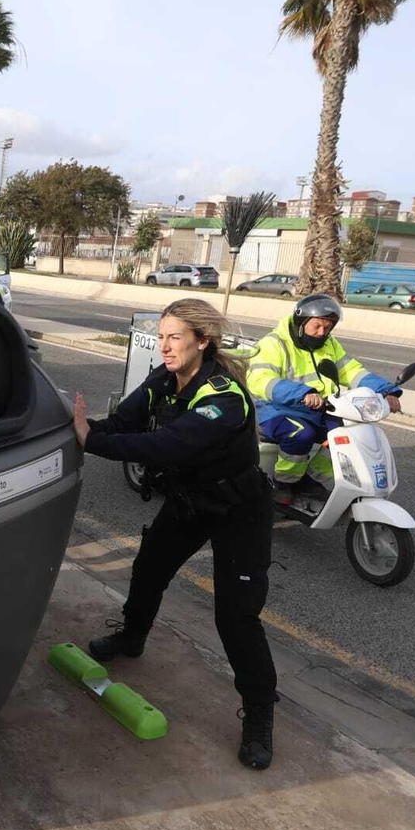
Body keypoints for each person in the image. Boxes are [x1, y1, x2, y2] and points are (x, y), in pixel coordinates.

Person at [72, 298, 279, 770]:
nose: (164, 347)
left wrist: (92, 440)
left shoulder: (224, 397)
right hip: (191, 501)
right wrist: (78, 428)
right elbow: (123, 423)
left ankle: (259, 714)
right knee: (148, 569)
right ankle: (132, 637)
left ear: (202, 341)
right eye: (161, 337)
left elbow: (167, 445)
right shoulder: (164, 379)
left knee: (236, 616)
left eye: (175, 338)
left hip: (239, 510)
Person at [246, 293, 402, 505]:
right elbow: (260, 379)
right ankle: (284, 482)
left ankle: (311, 477)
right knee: (301, 434)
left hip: (317, 408)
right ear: (301, 323)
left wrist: (385, 391)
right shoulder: (274, 344)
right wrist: (302, 393)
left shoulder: (329, 344)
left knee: (347, 433)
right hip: (274, 409)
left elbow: (352, 370)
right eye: (317, 326)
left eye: (327, 328)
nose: (322, 333)